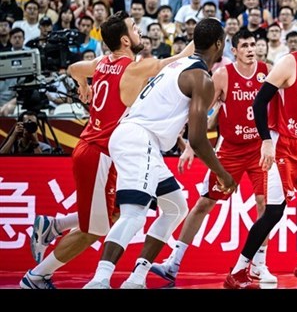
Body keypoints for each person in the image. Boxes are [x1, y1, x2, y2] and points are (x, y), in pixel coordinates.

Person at [21, 12, 194, 289]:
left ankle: (55, 226)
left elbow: (74, 69)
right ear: (125, 40)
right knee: (93, 230)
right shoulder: (133, 68)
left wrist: (84, 86)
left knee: (112, 215)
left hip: (103, 150)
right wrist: (201, 37)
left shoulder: (102, 62)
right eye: (135, 28)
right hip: (98, 152)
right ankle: (37, 276)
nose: (139, 31)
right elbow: (176, 59)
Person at [83, 18, 235, 289]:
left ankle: (137, 277)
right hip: (139, 139)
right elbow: (198, 139)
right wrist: (222, 174)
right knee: (134, 214)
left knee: (176, 208)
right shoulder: (201, 78)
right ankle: (99, 280)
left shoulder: (179, 64)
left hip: (140, 139)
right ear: (219, 45)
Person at [149, 30, 276, 286]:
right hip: (230, 149)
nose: (251, 49)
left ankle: (259, 265)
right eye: (244, 46)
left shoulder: (267, 71)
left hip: (258, 148)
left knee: (265, 203)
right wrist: (190, 147)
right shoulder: (222, 75)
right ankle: (173, 263)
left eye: (253, 45)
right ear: (234, 50)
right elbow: (203, 113)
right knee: (204, 204)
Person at [225, 13, 297, 289]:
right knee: (274, 211)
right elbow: (259, 102)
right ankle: (238, 271)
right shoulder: (289, 63)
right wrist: (266, 141)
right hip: (281, 145)